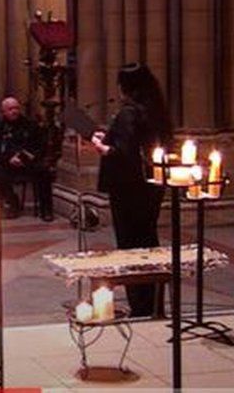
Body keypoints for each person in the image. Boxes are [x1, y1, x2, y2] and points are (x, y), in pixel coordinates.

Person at [91, 63, 171, 317]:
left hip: (128, 189)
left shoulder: (128, 113)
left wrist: (102, 146)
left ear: (125, 87)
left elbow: (123, 155)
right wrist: (111, 137)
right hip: (150, 187)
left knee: (130, 245)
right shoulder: (156, 111)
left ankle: (141, 307)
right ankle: (154, 305)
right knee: (148, 243)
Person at [0, 97, 53, 221]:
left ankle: (46, 210)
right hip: (8, 163)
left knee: (44, 171)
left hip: (28, 162)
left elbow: (40, 146)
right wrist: (9, 158)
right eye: (10, 109)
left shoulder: (30, 125)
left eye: (16, 108)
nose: (14, 111)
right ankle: (12, 202)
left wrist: (28, 157)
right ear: (3, 112)